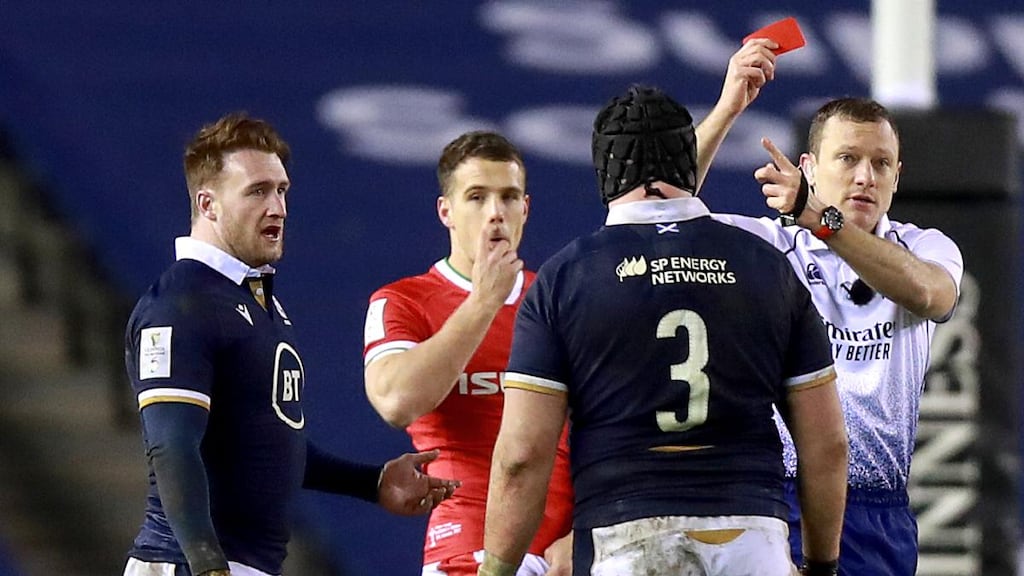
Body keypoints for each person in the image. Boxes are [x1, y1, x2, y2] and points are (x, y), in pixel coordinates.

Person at [478, 85, 849, 576]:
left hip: (626, 540)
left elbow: (522, 457)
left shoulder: (565, 279)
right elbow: (827, 445)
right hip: (751, 540)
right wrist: (822, 566)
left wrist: (497, 570)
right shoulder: (768, 267)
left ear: (606, 170)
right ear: (685, 162)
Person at [123, 112, 459, 576]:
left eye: (281, 190)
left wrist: (371, 481)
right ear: (208, 204)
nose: (277, 206)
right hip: (187, 564)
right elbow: (172, 445)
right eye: (257, 191)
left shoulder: (256, 303)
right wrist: (206, 563)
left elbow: (269, 443)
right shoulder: (181, 303)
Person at [706, 96, 964, 576]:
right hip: (775, 499)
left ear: (897, 177)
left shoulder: (926, 247)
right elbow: (662, 212)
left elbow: (930, 295)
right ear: (808, 168)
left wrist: (825, 221)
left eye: (881, 164)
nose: (865, 176)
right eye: (848, 159)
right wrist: (728, 106)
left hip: (876, 512)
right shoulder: (769, 246)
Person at [361, 130, 575, 576]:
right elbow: (397, 401)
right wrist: (484, 302)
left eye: (509, 197)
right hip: (464, 554)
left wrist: (586, 536)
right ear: (447, 212)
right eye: (477, 197)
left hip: (566, 556)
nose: (496, 213)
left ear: (526, 209)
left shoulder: (561, 301)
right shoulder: (404, 301)